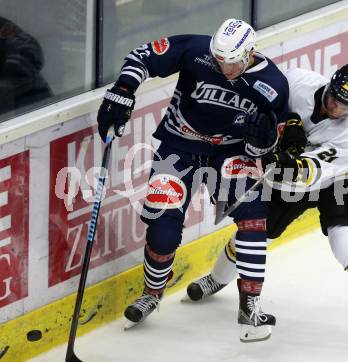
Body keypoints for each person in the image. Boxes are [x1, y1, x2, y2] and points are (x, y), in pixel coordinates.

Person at [186, 64, 348, 354]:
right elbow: (263, 95)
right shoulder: (298, 82)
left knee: (346, 241)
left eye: (345, 106)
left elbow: (306, 174)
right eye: (333, 97)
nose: (335, 107)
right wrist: (286, 120)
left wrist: (283, 160)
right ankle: (216, 280)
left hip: (340, 179)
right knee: (254, 232)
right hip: (290, 179)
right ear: (328, 86)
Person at [96, 18, 289, 342]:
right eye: (218, 60)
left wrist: (262, 144)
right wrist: (125, 88)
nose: (223, 67)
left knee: (255, 217)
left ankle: (250, 306)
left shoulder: (273, 84)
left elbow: (274, 143)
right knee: (163, 229)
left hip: (229, 154)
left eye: (231, 62)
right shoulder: (196, 49)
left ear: (249, 52)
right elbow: (142, 55)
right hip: (178, 147)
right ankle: (152, 293)